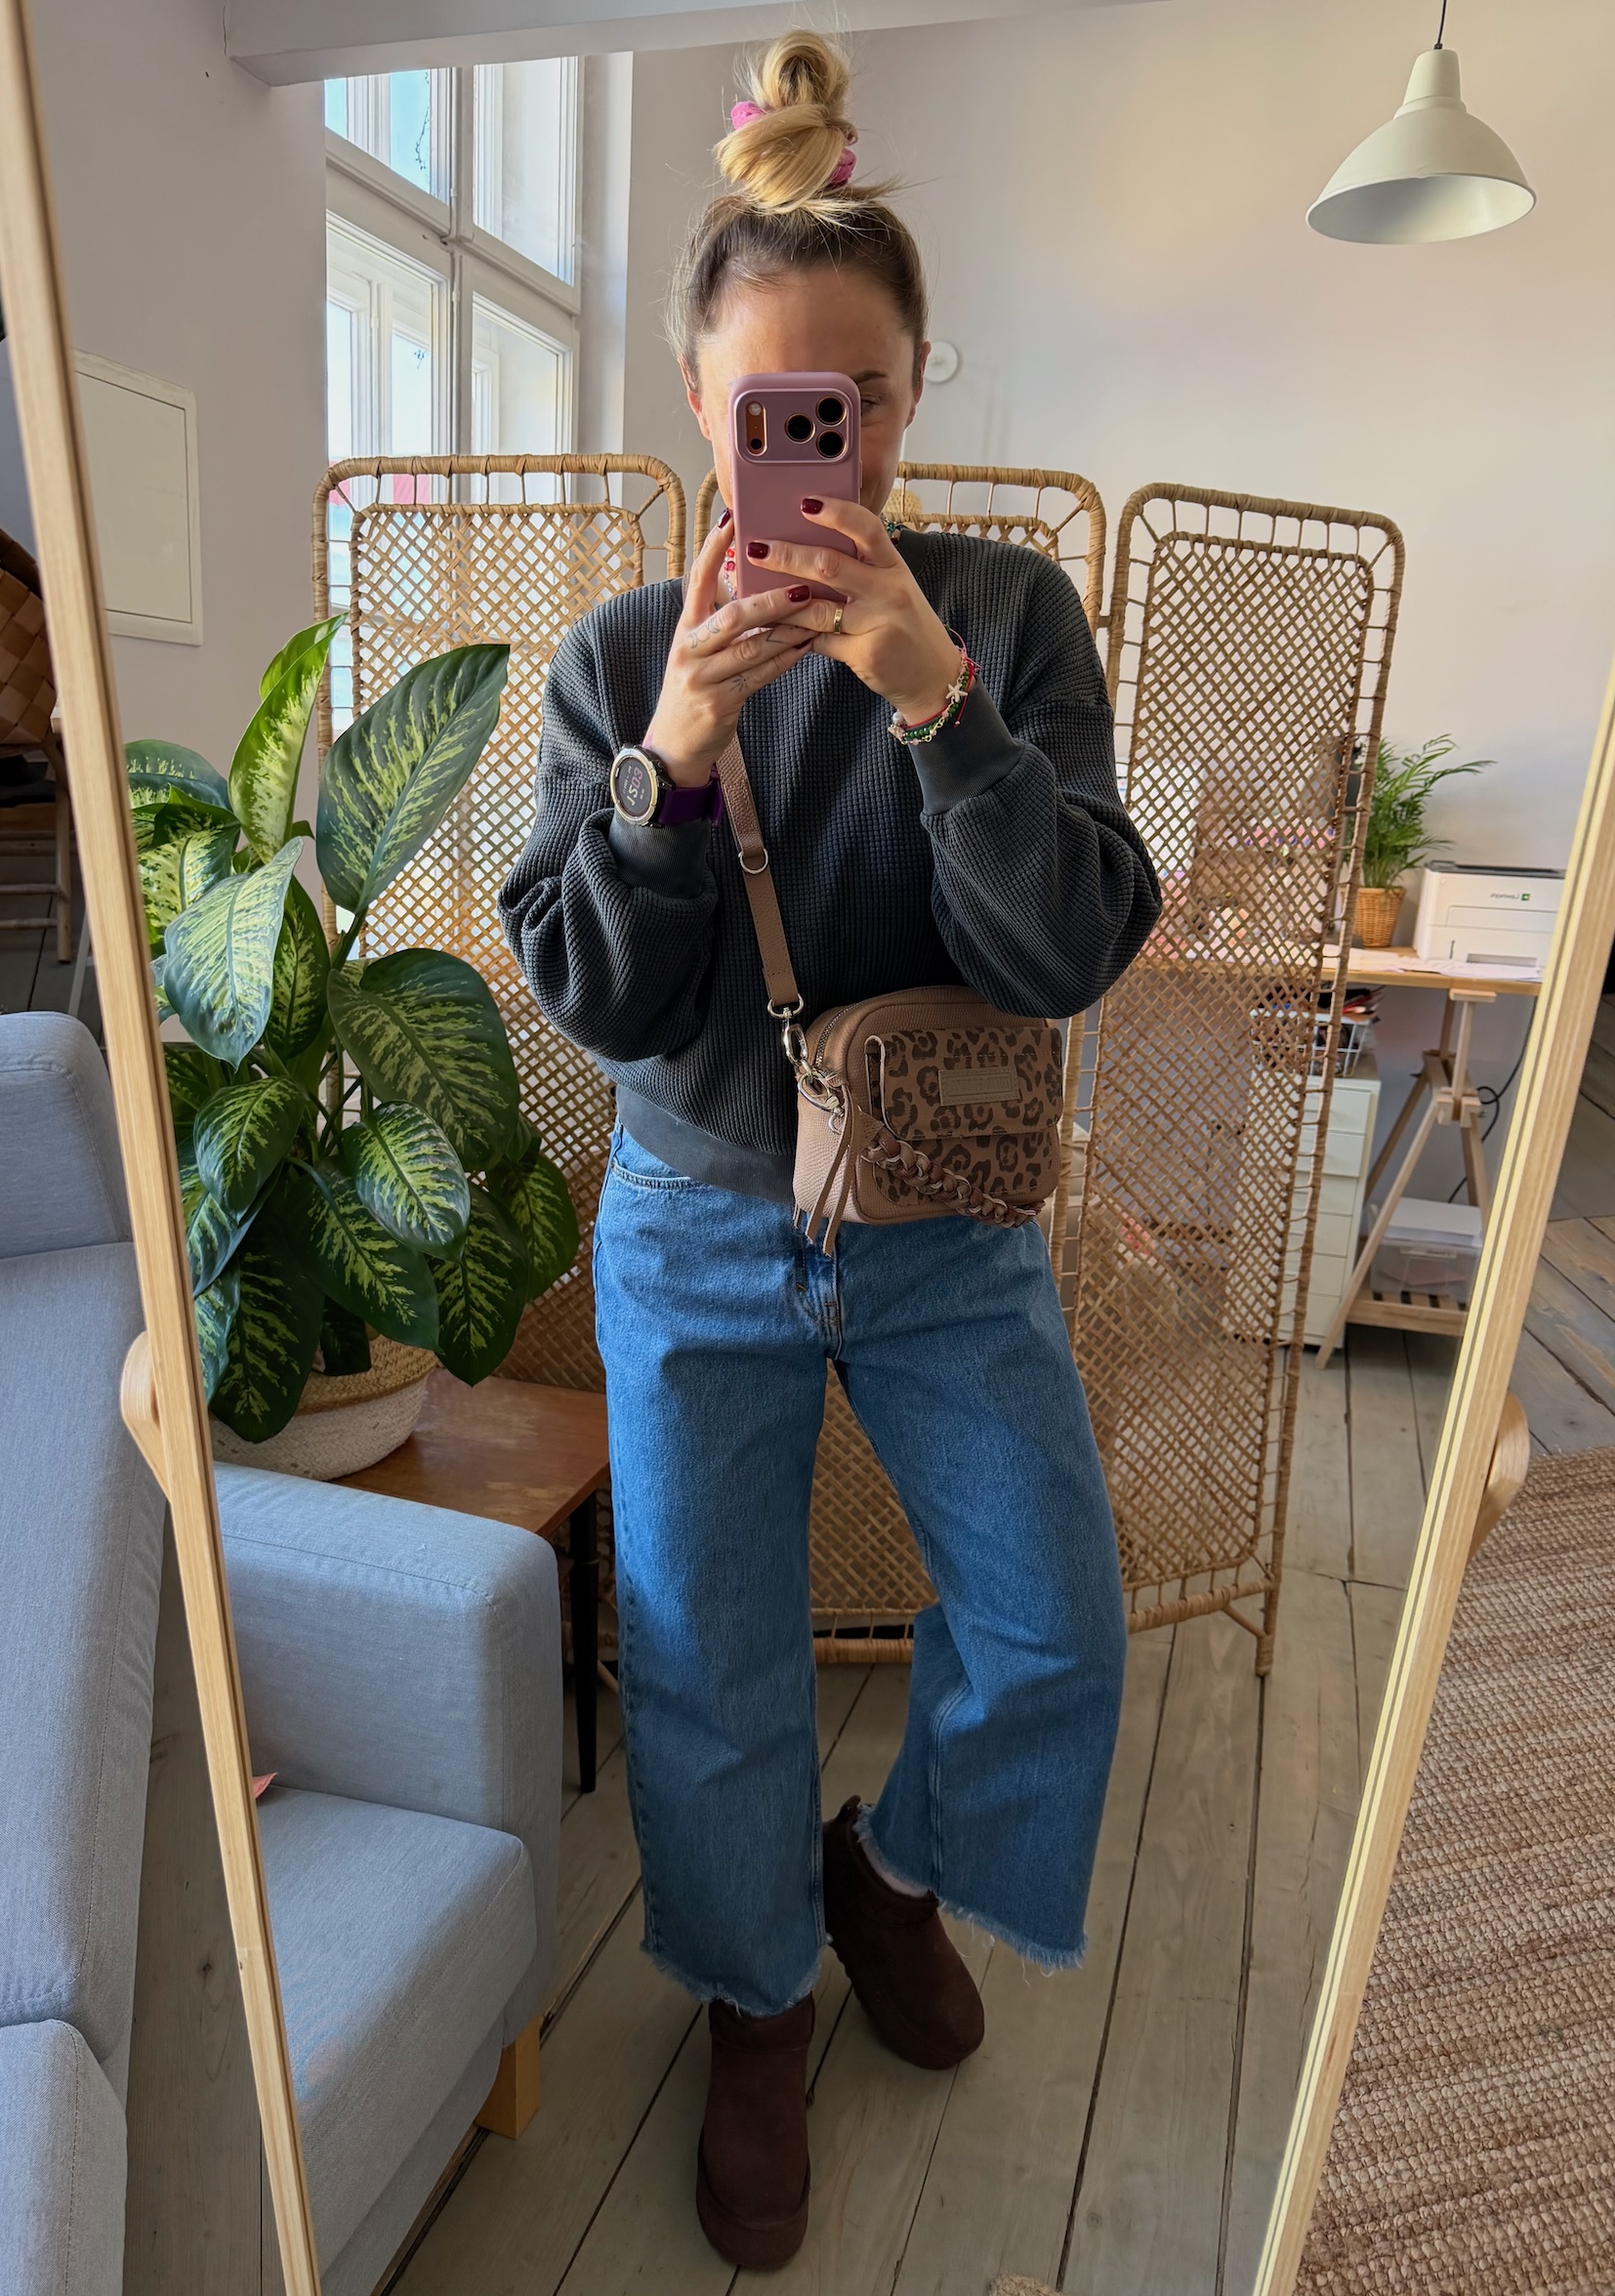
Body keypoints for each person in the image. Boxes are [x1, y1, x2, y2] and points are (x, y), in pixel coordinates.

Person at [501, 31, 1161, 2269]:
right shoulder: (619, 653)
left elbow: (1066, 947)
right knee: (708, 1659)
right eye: (779, 407)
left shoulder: (1006, 620)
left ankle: (881, 1876)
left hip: (942, 1217)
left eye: (859, 403)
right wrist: (677, 747)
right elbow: (600, 998)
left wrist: (937, 707)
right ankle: (756, 2003)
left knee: (1055, 1626)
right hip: (696, 1215)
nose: (825, 447)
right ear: (702, 405)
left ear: (910, 397)